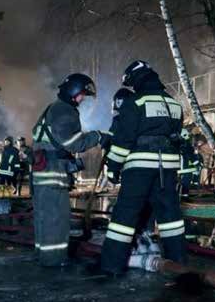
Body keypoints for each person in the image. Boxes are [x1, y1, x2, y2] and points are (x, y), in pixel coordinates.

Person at [100, 60, 187, 275]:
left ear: (137, 80)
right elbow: (177, 138)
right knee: (170, 218)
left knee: (124, 217)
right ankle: (179, 263)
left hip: (139, 167)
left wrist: (112, 166)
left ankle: (111, 267)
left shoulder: (135, 103)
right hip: (166, 170)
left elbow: (124, 140)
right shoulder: (175, 104)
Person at [31, 73, 105, 267]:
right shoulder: (65, 111)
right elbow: (72, 143)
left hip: (43, 173)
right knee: (56, 219)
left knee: (44, 217)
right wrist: (97, 137)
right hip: (53, 174)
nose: (82, 99)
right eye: (82, 95)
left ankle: (43, 256)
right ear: (73, 92)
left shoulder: (52, 109)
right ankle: (54, 261)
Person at [177, 128, 201, 201]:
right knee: (186, 182)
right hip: (186, 167)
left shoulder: (178, 144)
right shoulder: (186, 144)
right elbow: (190, 155)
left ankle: (179, 196)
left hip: (180, 167)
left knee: (180, 182)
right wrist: (197, 163)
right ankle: (184, 197)